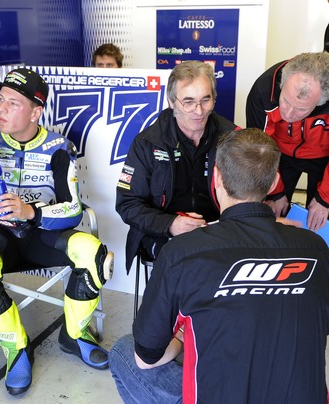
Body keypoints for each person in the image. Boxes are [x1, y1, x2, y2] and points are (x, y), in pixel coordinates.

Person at [109, 128, 329, 403]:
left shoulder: (182, 253)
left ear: (216, 178)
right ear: (274, 182)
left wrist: (182, 339)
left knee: (123, 350)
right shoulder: (316, 248)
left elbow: (146, 358)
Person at [0, 68, 113, 395]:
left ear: (35, 112)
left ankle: (74, 335)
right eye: (1, 100)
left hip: (41, 232)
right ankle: (17, 348)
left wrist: (31, 212)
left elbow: (73, 209)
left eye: (13, 103)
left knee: (94, 255)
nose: (1, 109)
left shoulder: (59, 146)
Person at [116, 60, 238, 273]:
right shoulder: (147, 142)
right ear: (172, 102)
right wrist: (170, 224)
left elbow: (247, 193)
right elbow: (128, 204)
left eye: (205, 100)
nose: (199, 111)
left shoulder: (232, 138)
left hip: (219, 232)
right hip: (163, 235)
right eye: (188, 102)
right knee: (186, 263)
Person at [246, 52, 329, 231]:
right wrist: (275, 193)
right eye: (285, 100)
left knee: (322, 220)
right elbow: (259, 148)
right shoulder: (263, 89)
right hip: (279, 154)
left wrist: (325, 199)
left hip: (324, 156)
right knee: (271, 213)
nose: (288, 113)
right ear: (282, 85)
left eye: (301, 109)